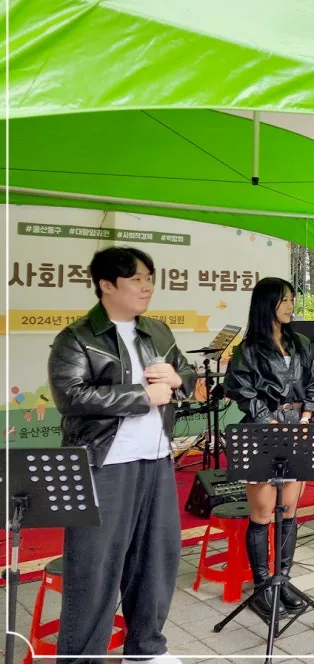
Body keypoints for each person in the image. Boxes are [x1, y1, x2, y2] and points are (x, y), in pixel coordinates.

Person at [48, 247, 196, 664]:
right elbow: (70, 397)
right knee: (94, 569)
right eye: (136, 279)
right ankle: (81, 657)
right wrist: (141, 396)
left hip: (156, 460)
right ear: (106, 285)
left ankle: (146, 649)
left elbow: (186, 374)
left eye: (149, 278)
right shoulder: (77, 338)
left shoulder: (158, 331)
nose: (147, 286)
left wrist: (178, 378)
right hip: (102, 465)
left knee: (156, 559)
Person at [223, 277, 314, 621]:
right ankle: (263, 586)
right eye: (284, 300)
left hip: (298, 428)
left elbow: (310, 383)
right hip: (262, 432)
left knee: (289, 511)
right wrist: (269, 421)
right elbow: (239, 389)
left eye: (292, 299)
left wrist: (306, 416)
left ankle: (283, 580)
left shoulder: (301, 342)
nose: (291, 306)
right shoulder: (248, 349)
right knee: (263, 513)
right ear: (267, 305)